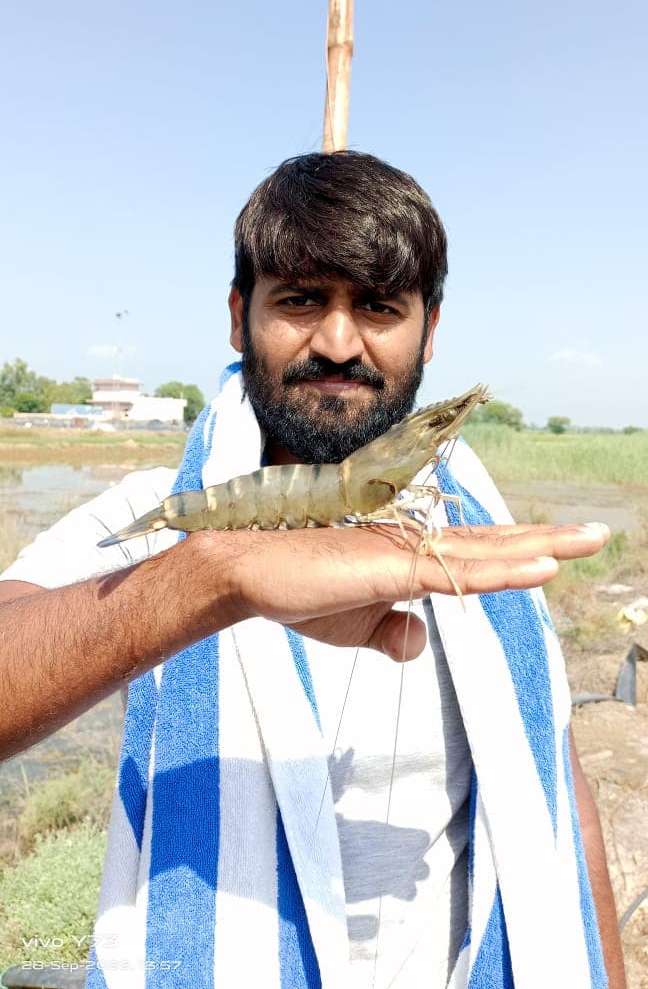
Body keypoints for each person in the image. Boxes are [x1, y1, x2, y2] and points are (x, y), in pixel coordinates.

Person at [0, 151, 625, 989]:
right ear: (239, 317)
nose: (337, 342)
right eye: (299, 300)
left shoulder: (479, 533)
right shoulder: (155, 512)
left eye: (379, 305)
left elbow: (557, 793)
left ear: (429, 331)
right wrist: (205, 580)